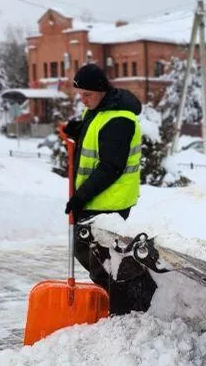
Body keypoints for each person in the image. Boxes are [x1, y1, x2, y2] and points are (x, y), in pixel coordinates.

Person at [62, 63, 150, 314]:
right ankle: (124, 303)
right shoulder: (100, 111)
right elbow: (96, 138)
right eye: (80, 94)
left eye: (87, 95)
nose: (83, 99)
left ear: (101, 91)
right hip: (96, 200)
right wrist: (78, 130)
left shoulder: (119, 119)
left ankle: (129, 308)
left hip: (109, 202)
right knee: (91, 255)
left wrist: (80, 197)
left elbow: (111, 165)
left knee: (107, 262)